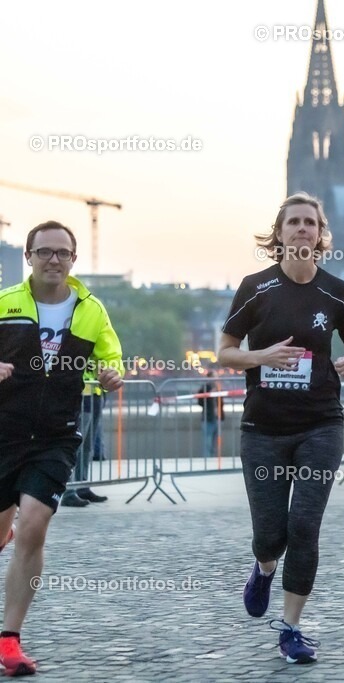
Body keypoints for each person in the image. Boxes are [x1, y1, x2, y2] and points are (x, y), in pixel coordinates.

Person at [219, 192, 344, 665]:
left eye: (310, 223)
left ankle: (291, 627)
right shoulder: (255, 287)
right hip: (263, 428)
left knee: (304, 526)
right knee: (271, 534)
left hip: (320, 425)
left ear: (321, 234)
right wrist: (261, 357)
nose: (302, 229)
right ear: (279, 234)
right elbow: (224, 351)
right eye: (294, 222)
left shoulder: (338, 292)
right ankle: (263, 568)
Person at [0, 221, 124, 675]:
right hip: (4, 433)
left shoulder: (91, 310)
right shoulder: (4, 303)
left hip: (55, 436)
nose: (54, 260)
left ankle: (10, 640)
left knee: (34, 525)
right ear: (29, 257)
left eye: (63, 253)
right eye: (45, 252)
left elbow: (111, 358)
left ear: (74, 259)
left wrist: (112, 374)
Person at [61, 383, 110, 507]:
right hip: (80, 394)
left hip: (96, 393)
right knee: (76, 446)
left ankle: (82, 487)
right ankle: (69, 491)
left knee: (87, 447)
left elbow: (112, 363)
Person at [198, 369, 224, 458]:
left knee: (215, 442)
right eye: (214, 376)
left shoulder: (219, 388)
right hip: (208, 418)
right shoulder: (204, 388)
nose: (216, 378)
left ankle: (214, 460)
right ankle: (207, 461)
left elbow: (221, 403)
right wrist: (209, 395)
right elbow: (200, 402)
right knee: (207, 443)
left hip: (218, 418)